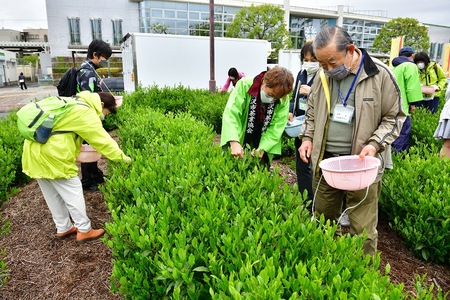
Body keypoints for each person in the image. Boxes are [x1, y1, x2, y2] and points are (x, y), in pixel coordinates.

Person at [298, 26, 406, 256]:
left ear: (350, 50)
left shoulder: (380, 74)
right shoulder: (322, 76)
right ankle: (327, 269)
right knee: (324, 223)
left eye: (332, 62)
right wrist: (307, 137)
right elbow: (311, 111)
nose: (327, 69)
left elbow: (394, 117)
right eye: (322, 64)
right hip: (326, 164)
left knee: (363, 229)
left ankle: (364, 276)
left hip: (361, 165)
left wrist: (374, 144)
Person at [21, 91, 131, 243]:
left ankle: (64, 228)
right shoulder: (85, 112)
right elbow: (103, 141)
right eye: (106, 113)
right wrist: (124, 159)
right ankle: (84, 230)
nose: (104, 116)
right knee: (73, 191)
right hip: (53, 156)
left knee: (52, 193)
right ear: (101, 105)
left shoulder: (72, 102)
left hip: (34, 153)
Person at [220, 66, 294, 166]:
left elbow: (276, 127)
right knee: (232, 169)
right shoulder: (244, 85)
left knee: (259, 171)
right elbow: (232, 113)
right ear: (264, 82)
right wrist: (234, 141)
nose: (272, 99)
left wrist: (263, 148)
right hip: (240, 135)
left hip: (262, 139)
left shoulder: (283, 99)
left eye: (275, 98)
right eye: (270, 94)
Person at [76, 39, 113, 192]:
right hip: (86, 117)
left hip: (87, 115)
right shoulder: (87, 72)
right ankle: (87, 181)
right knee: (88, 147)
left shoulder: (88, 70)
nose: (106, 61)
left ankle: (95, 174)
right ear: (95, 54)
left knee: (92, 145)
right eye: (104, 58)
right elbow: (88, 97)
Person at [289, 41, 318, 201]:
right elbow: (294, 97)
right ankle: (306, 198)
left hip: (317, 126)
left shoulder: (326, 75)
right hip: (300, 124)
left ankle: (318, 200)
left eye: (313, 60)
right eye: (306, 59)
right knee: (302, 163)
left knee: (316, 165)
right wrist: (290, 111)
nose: (309, 63)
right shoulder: (302, 73)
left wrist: (312, 92)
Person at [390, 46, 423, 153]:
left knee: (392, 134)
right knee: (402, 135)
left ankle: (391, 159)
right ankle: (398, 159)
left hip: (390, 106)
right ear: (412, 55)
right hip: (403, 107)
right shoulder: (410, 66)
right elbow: (412, 87)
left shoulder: (393, 67)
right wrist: (413, 104)